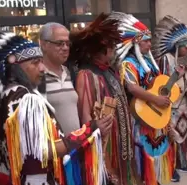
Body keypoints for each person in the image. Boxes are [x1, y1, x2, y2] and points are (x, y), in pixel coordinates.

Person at [0, 28, 113, 185]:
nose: (42, 68)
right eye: (35, 63)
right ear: (16, 66)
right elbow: (43, 151)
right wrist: (90, 131)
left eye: (41, 61)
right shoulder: (26, 100)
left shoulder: (6, 95)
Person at [70, 13, 140, 185]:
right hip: (105, 147)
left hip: (122, 146)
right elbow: (86, 117)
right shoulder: (86, 75)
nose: (114, 50)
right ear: (101, 49)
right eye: (111, 46)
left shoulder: (109, 71)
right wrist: (96, 146)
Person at [106, 12, 176, 185]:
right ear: (136, 42)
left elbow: (160, 85)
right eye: (146, 41)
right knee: (142, 161)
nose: (149, 44)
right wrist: (155, 99)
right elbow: (132, 87)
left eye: (150, 41)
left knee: (157, 157)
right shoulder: (128, 63)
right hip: (140, 118)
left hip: (156, 118)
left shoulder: (149, 62)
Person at [152, 15, 187, 182]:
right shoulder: (166, 59)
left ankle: (180, 162)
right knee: (170, 136)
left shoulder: (182, 58)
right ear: (178, 46)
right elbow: (163, 86)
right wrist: (176, 74)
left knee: (181, 132)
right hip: (170, 105)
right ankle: (170, 168)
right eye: (185, 45)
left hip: (181, 103)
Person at [39, 22, 81, 135]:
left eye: (67, 43)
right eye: (59, 43)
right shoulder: (37, 76)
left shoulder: (69, 72)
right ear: (44, 45)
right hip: (54, 149)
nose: (65, 48)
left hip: (75, 148)